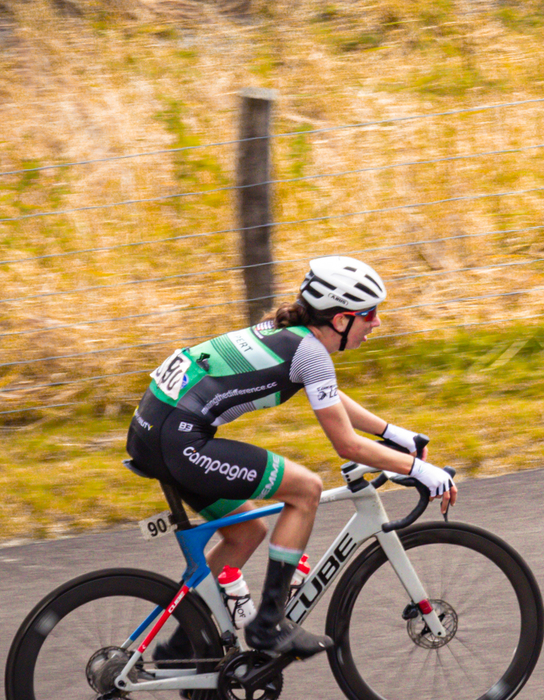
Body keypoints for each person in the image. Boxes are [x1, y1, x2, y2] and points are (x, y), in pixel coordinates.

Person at [126, 255, 454, 661]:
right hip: (178, 442)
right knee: (305, 490)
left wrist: (390, 432)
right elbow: (347, 447)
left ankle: (184, 647)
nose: (377, 323)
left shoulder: (287, 333)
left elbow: (325, 390)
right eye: (369, 314)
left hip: (154, 432)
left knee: (246, 532)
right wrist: (420, 469)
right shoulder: (311, 353)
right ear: (340, 320)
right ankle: (268, 623)